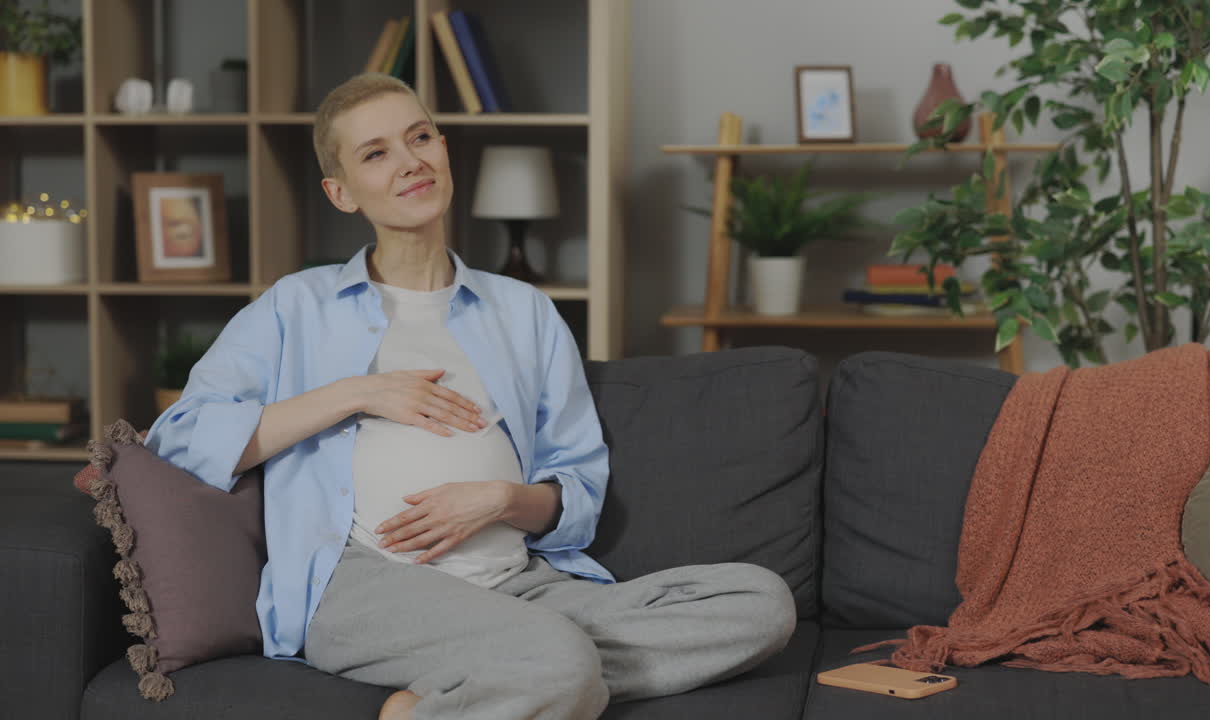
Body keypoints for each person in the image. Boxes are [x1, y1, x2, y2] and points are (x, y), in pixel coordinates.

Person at [145, 73, 796, 720]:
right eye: (376, 153)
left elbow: (578, 489)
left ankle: (485, 688)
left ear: (444, 148)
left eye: (420, 137)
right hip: (365, 585)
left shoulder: (524, 311)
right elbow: (179, 436)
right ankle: (540, 673)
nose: (410, 162)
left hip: (517, 584)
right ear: (340, 193)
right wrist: (357, 393)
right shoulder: (296, 306)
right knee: (559, 657)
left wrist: (503, 500)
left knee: (760, 602)